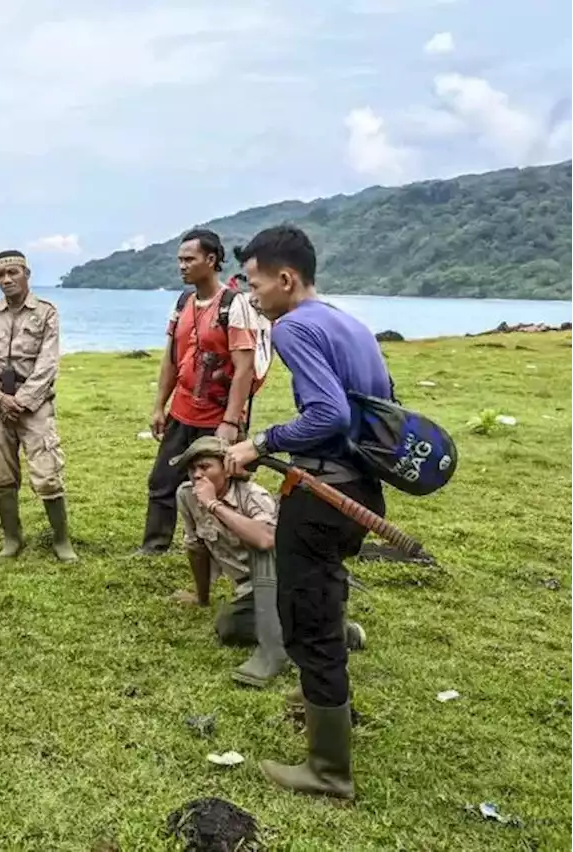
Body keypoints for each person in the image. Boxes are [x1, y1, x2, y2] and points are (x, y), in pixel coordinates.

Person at [224, 224, 391, 801]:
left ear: (286, 278)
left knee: (308, 617)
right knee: (328, 593)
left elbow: (327, 415)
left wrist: (259, 442)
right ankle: (321, 699)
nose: (251, 296)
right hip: (363, 491)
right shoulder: (349, 322)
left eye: (253, 283)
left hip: (321, 494)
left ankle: (328, 770)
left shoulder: (293, 326)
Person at [138, 229, 259, 555]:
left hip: (216, 416)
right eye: (179, 260)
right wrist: (158, 406)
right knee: (162, 480)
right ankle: (154, 545)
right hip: (182, 410)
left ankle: (226, 549)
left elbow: (244, 367)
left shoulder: (234, 305)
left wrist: (231, 422)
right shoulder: (182, 303)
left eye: (189, 259)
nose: (182, 266)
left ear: (211, 260)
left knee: (218, 486)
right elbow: (170, 360)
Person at [0, 250, 77, 563]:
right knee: (0, 470)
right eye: (0, 275)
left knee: (47, 471)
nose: (6, 280)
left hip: (34, 404)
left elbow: (48, 362)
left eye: (12, 273)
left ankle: (61, 539)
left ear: (26, 274)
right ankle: (12, 537)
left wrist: (23, 400)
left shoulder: (46, 312)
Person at [171, 435, 287, 687]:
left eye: (205, 467)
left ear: (226, 468)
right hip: (246, 589)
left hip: (278, 583)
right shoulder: (187, 495)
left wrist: (214, 504)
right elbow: (197, 549)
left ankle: (336, 632)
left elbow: (266, 540)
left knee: (230, 624)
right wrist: (201, 598)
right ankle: (305, 626)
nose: (196, 475)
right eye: (192, 469)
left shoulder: (252, 496)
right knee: (229, 627)